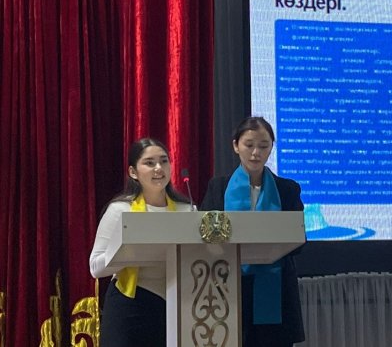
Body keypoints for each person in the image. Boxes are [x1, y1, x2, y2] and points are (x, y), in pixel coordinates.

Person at [200, 116, 305, 347]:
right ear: (236, 146)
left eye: (263, 146)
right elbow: (204, 236)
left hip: (274, 289)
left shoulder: (287, 189)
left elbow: (299, 240)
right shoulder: (218, 187)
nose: (256, 152)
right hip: (228, 285)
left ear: (271, 148)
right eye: (249, 145)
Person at [89, 138, 193, 346]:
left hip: (174, 306)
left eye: (164, 161)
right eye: (149, 163)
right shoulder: (120, 210)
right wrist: (126, 254)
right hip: (129, 306)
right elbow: (95, 267)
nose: (158, 168)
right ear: (133, 172)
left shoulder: (187, 210)